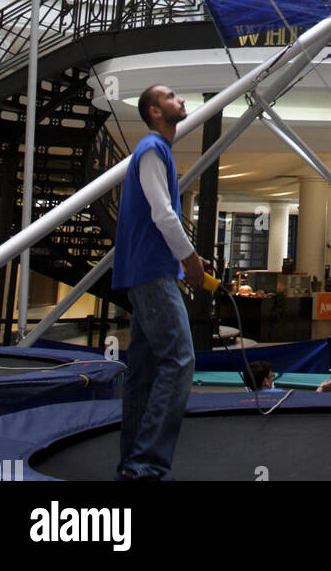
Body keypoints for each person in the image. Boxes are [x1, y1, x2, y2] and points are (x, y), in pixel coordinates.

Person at [112, 84, 207, 480]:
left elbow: (160, 217)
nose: (180, 99)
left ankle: (132, 460)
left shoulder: (156, 150)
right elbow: (163, 213)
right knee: (180, 360)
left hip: (145, 272)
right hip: (152, 275)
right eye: (170, 96)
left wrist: (186, 257)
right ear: (154, 111)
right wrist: (189, 258)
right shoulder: (153, 148)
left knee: (144, 369)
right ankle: (146, 463)